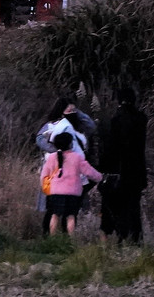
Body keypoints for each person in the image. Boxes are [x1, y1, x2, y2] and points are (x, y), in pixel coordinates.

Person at [35, 97, 96, 234]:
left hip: (74, 174)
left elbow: (91, 125)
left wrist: (77, 112)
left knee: (70, 209)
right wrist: (57, 150)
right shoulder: (53, 125)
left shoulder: (78, 127)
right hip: (57, 172)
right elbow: (39, 139)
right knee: (53, 208)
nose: (72, 112)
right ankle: (49, 237)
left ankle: (63, 238)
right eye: (69, 109)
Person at [99, 87, 148, 244]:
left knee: (119, 206)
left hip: (119, 170)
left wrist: (103, 168)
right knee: (134, 206)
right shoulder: (141, 119)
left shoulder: (116, 120)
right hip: (137, 170)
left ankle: (122, 237)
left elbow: (111, 148)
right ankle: (136, 237)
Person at [41, 132, 103, 236]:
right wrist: (100, 177)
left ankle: (52, 239)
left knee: (55, 215)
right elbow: (89, 172)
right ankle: (70, 241)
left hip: (56, 191)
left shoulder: (52, 158)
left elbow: (44, 175)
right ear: (70, 144)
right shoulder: (77, 158)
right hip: (73, 192)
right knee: (71, 216)